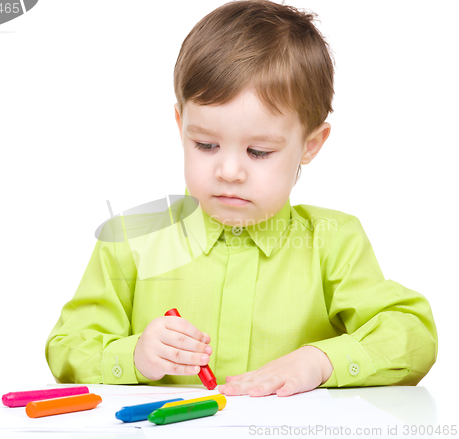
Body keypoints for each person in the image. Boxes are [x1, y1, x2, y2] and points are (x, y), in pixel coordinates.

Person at [45, 0, 437, 397]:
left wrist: (320, 361)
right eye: (205, 144)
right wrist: (134, 356)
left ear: (310, 145)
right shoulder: (132, 237)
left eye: (259, 152)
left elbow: (412, 335)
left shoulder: (333, 241)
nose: (229, 171)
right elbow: (67, 347)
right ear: (181, 126)